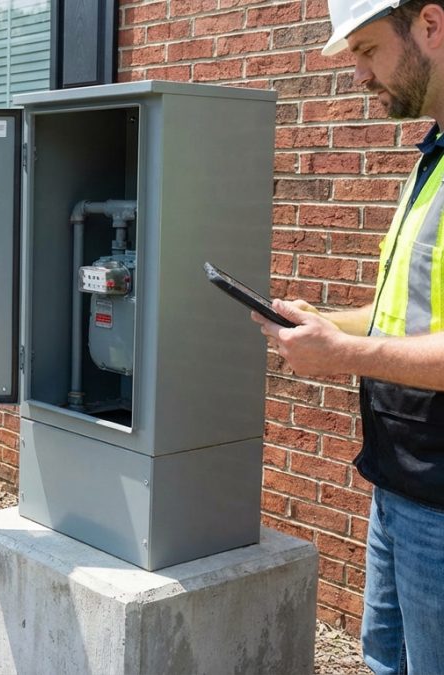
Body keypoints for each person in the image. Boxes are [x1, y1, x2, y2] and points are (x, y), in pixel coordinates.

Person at [253, 2, 444, 673]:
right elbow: (407, 315)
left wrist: (342, 354)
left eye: (367, 49)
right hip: (399, 482)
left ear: (431, 25)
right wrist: (328, 324)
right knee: (384, 660)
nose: (359, 75)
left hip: (438, 501)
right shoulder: (431, 161)